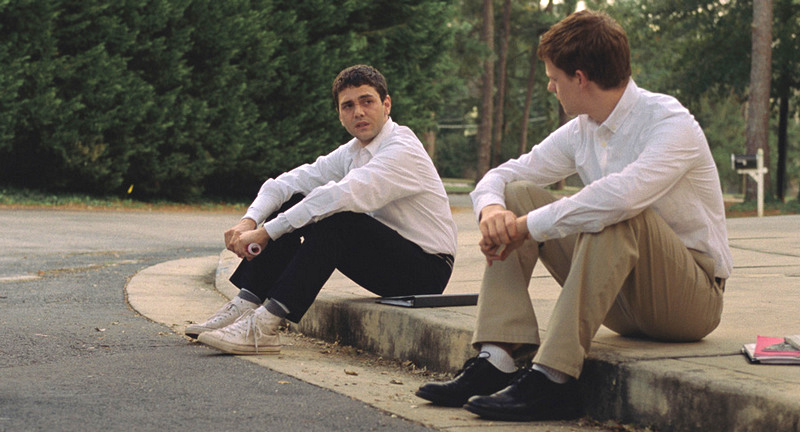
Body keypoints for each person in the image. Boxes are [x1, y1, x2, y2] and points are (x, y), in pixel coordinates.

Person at [416, 10, 732, 422]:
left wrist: (526, 227)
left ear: (580, 78)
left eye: (554, 78)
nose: (550, 87)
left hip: (690, 301)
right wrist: (493, 209)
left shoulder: (669, 123)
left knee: (615, 211)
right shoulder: (584, 128)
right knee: (515, 194)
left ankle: (553, 378)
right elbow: (503, 175)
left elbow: (620, 197)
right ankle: (498, 357)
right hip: (620, 302)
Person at [187, 64, 458, 355]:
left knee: (337, 219)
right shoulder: (354, 151)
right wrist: (249, 221)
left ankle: (265, 326)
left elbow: (338, 196)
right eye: (348, 106)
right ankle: (245, 304)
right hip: (389, 259)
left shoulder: (401, 149)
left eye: (367, 101)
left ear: (386, 105)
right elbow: (287, 183)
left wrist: (266, 232)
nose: (359, 112)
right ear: (340, 114)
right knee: (296, 199)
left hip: (426, 270)